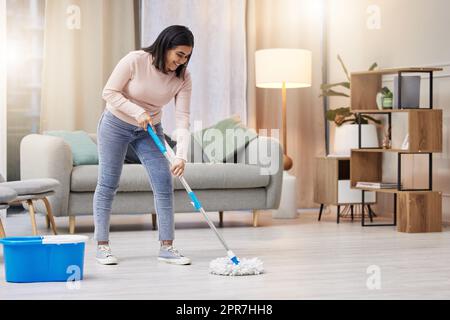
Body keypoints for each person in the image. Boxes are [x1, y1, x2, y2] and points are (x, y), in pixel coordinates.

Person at [93, 25, 194, 265]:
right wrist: (137, 111)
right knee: (108, 183)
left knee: (163, 182)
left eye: (186, 57)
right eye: (179, 54)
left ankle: (167, 248)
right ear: (165, 45)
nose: (181, 62)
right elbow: (109, 92)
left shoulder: (183, 78)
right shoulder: (136, 60)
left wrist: (181, 155)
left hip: (150, 130)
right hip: (115, 124)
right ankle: (102, 246)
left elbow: (183, 117)